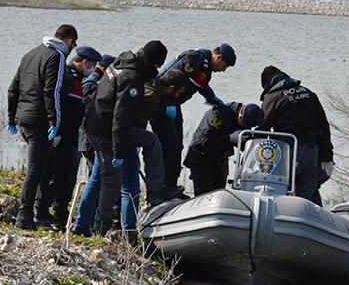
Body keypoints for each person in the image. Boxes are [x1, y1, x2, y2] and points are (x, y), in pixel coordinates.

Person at [72, 68, 187, 237]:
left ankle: (81, 224)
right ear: (170, 88)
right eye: (177, 93)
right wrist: (129, 143)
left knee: (96, 179)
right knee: (131, 183)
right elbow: (132, 121)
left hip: (103, 133)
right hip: (120, 138)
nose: (176, 97)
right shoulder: (153, 95)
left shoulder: (147, 82)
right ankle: (132, 223)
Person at [7, 24, 78, 230]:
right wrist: (54, 122)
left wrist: (12, 118)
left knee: (42, 167)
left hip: (24, 120)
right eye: (73, 44)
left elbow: (13, 89)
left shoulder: (31, 53)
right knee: (35, 171)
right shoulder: (56, 57)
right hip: (39, 122)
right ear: (70, 41)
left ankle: (38, 212)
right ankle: (24, 216)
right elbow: (52, 92)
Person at [150, 43, 236, 190]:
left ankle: (171, 185)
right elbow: (168, 78)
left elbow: (200, 84)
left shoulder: (206, 68)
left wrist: (212, 98)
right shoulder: (195, 58)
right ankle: (161, 187)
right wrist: (169, 103)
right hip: (161, 103)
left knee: (177, 145)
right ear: (218, 57)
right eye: (225, 65)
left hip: (173, 105)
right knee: (170, 145)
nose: (224, 70)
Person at [34, 45, 102, 226]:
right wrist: (56, 130)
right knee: (54, 174)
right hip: (62, 135)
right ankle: (42, 210)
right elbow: (59, 106)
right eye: (92, 65)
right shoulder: (67, 77)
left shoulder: (77, 79)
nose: (92, 70)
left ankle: (60, 211)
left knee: (67, 177)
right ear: (85, 62)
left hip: (72, 136)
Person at [257, 66, 334, 206]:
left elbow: (262, 130)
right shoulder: (309, 94)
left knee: (281, 197)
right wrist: (327, 156)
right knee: (308, 200)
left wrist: (245, 144)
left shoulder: (273, 98)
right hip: (312, 153)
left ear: (267, 84)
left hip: (288, 155)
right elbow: (324, 126)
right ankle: (315, 225)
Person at [183, 102, 263, 196]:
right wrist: (229, 138)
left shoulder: (246, 120)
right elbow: (205, 141)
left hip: (220, 159)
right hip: (202, 157)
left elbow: (243, 144)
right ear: (240, 115)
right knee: (204, 195)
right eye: (244, 124)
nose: (245, 127)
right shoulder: (218, 114)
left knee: (219, 194)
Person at [78, 53, 115, 174]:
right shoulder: (91, 84)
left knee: (96, 173)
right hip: (88, 137)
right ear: (104, 68)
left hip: (88, 135)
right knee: (95, 174)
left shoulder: (93, 81)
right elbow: (91, 111)